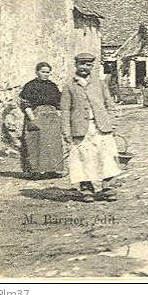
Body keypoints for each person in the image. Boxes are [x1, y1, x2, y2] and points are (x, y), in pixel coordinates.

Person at [60, 53, 121, 202]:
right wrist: (66, 132)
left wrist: (112, 122)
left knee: (106, 157)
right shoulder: (69, 86)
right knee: (83, 158)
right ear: (76, 66)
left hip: (101, 126)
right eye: (82, 64)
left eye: (88, 65)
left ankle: (108, 188)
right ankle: (87, 189)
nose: (84, 68)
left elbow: (109, 104)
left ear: (92, 67)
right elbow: (65, 110)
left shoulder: (99, 84)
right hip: (80, 128)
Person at [19, 62, 64, 178]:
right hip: (36, 115)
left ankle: (52, 170)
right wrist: (32, 118)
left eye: (47, 72)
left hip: (52, 117)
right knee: (35, 143)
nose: (45, 74)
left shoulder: (52, 86)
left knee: (53, 143)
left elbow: (59, 102)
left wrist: (58, 114)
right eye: (43, 72)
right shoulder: (30, 86)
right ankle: (35, 172)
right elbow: (25, 103)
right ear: (37, 72)